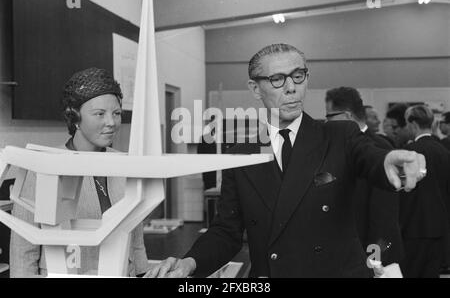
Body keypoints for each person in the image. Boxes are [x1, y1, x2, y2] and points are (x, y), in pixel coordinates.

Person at [146, 44, 425, 278]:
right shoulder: (242, 153)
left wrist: (389, 160)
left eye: (298, 75)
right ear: (255, 89)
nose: (291, 88)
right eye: (277, 79)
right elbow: (227, 231)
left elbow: (371, 159)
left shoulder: (339, 135)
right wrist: (190, 262)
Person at [10, 67, 150, 277]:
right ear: (74, 117)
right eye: (100, 114)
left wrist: (142, 272)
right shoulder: (42, 168)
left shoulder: (125, 164)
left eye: (117, 113)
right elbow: (23, 253)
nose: (111, 122)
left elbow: (135, 238)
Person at [325, 87, 403, 273]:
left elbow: (383, 217)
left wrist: (374, 261)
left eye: (329, 117)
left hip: (372, 258)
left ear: (347, 116)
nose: (326, 122)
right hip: (348, 255)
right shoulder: (338, 147)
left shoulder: (378, 149)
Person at [399, 105, 450, 278]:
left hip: (413, 228)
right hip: (439, 228)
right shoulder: (444, 152)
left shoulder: (409, 153)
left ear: (413, 124)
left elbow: (403, 191)